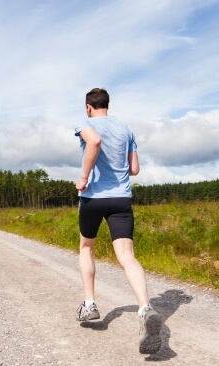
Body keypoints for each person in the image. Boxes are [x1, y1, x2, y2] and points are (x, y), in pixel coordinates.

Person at [73, 87, 163, 354]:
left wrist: (84, 177)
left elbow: (94, 142)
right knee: (126, 255)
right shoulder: (126, 129)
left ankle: (90, 305)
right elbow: (134, 168)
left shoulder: (85, 123)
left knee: (87, 247)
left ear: (88, 107)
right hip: (121, 199)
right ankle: (145, 308)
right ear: (107, 105)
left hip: (93, 198)